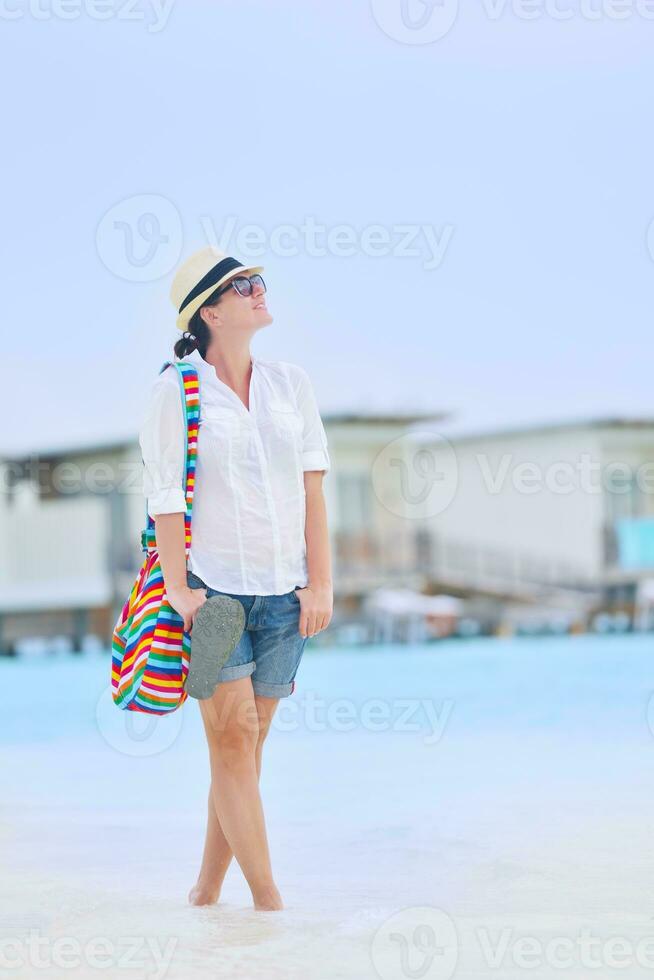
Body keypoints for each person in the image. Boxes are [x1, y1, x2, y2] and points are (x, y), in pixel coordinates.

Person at [138, 246, 333, 911]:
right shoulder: (176, 390)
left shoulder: (291, 385)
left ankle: (206, 893)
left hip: (285, 595)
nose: (259, 291)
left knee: (247, 752)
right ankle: (272, 908)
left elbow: (313, 492)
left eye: (259, 281)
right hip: (213, 597)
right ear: (211, 311)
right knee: (231, 738)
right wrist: (179, 590)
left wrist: (322, 584)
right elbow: (163, 495)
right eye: (243, 285)